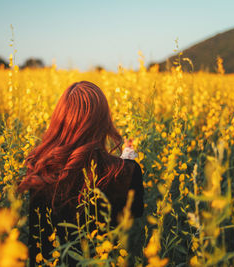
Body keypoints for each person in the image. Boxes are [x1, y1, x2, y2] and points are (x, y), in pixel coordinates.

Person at [18, 81, 144, 266]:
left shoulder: (40, 167)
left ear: (60, 119)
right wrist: (128, 162)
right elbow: (134, 212)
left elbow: (38, 233)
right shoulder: (124, 171)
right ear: (103, 122)